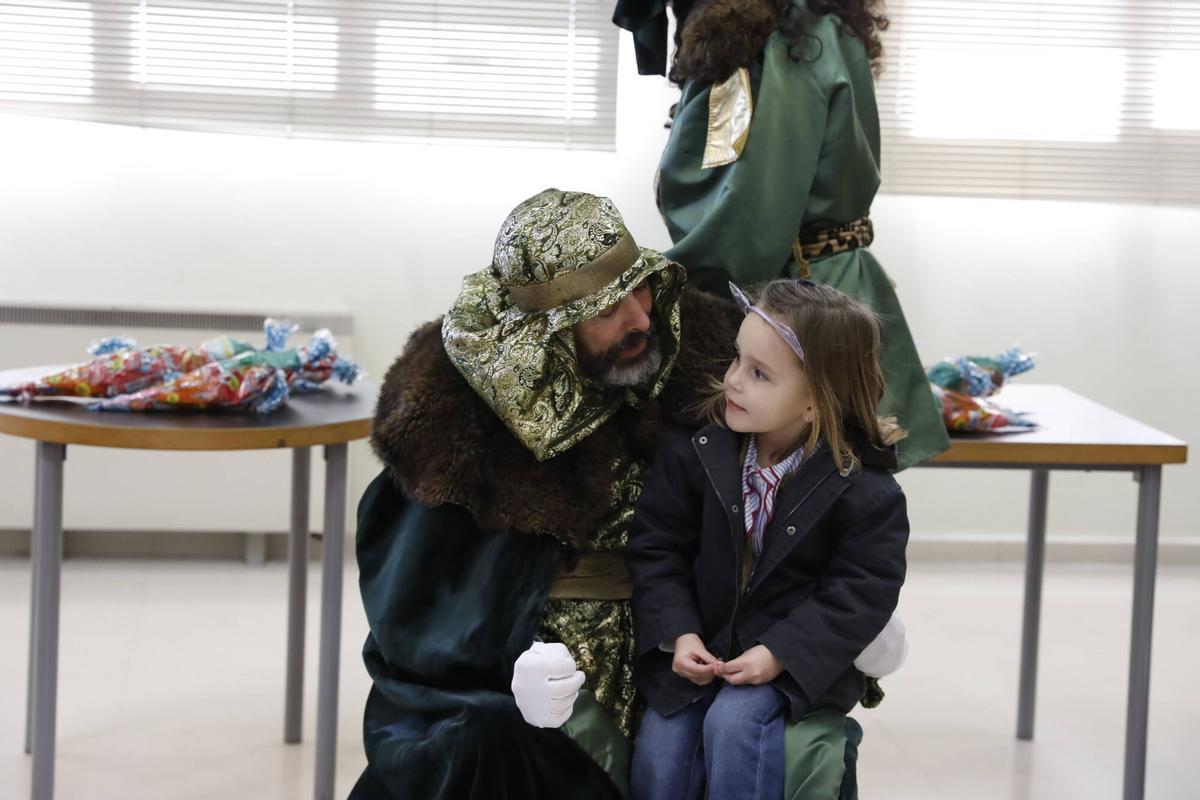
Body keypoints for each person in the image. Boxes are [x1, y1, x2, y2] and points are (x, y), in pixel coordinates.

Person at [351, 189, 904, 799]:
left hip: (708, 626)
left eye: (639, 288)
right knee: (493, 744)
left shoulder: (712, 347)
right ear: (551, 331)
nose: (640, 318)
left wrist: (856, 619)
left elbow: (819, 481)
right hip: (576, 651)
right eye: (606, 309)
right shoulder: (458, 415)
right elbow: (425, 591)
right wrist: (508, 659)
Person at [614, 0, 950, 470]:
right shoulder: (812, 28)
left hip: (793, 317)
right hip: (823, 297)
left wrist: (648, 289)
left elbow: (749, 221)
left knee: (796, 512)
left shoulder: (777, 45)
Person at [627, 279, 909, 799]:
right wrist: (680, 634)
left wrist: (778, 653)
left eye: (759, 374)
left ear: (814, 401)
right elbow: (657, 548)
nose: (732, 381)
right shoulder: (695, 451)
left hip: (789, 664)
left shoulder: (865, 491)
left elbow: (860, 593)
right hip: (701, 649)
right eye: (737, 359)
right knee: (662, 750)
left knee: (734, 727)